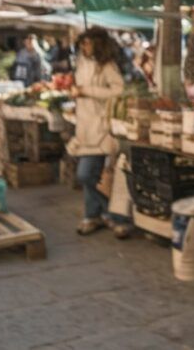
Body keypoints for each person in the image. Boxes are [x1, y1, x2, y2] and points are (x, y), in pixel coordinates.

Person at [66, 27, 127, 237]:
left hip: (101, 129)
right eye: (83, 43)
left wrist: (86, 91)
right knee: (89, 174)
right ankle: (95, 215)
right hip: (83, 126)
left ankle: (112, 214)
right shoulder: (81, 64)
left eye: (88, 43)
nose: (84, 47)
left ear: (98, 44)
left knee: (86, 174)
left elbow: (119, 90)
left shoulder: (107, 66)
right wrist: (76, 95)